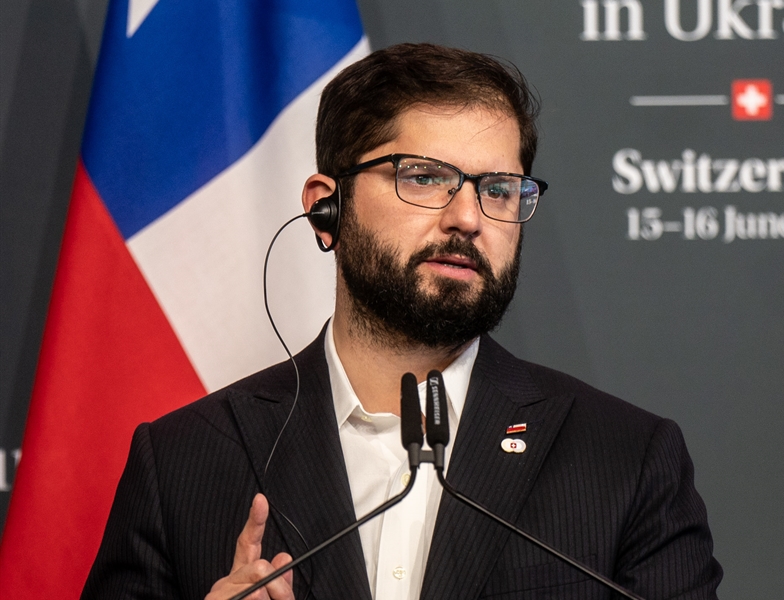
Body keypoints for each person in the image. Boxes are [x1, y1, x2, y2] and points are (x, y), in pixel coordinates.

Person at [82, 43, 722, 600]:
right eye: (424, 178)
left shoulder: (626, 459)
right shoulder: (182, 462)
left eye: (498, 189)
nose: (469, 218)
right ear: (325, 208)